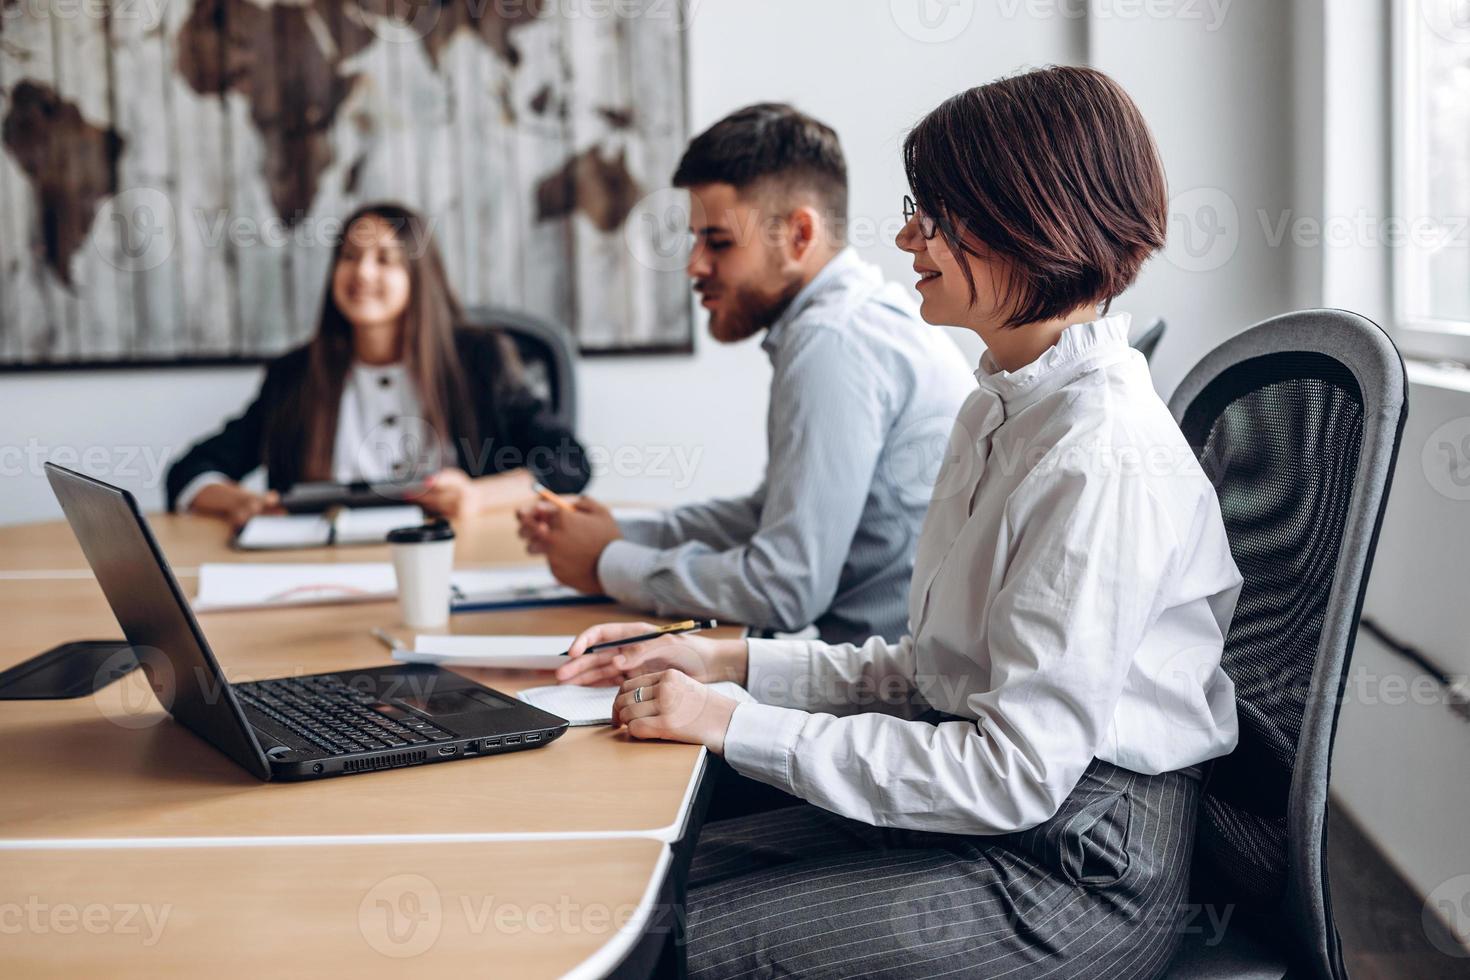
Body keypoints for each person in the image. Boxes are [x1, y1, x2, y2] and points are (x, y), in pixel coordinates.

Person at [554, 67, 1244, 978]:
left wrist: (732, 722)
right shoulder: (999, 405)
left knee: (670, 948)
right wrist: (722, 660)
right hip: (1000, 816)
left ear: (1031, 218)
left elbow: (1010, 773)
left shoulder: (1098, 455)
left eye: (939, 211)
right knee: (637, 892)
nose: (904, 234)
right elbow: (934, 672)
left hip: (1076, 870)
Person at [517, 104, 974, 646]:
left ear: (799, 235)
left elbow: (785, 588)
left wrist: (607, 561)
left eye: (719, 242)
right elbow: (772, 513)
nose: (693, 266)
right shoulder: (848, 321)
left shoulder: (832, 343)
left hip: (884, 702)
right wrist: (620, 532)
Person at [166, 202, 590, 527]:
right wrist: (241, 501)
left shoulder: (477, 360)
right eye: (349, 256)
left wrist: (479, 496)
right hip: (321, 570)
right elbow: (190, 472)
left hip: (454, 560)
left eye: (385, 259)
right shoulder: (294, 375)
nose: (362, 272)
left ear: (418, 278)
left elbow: (568, 462)